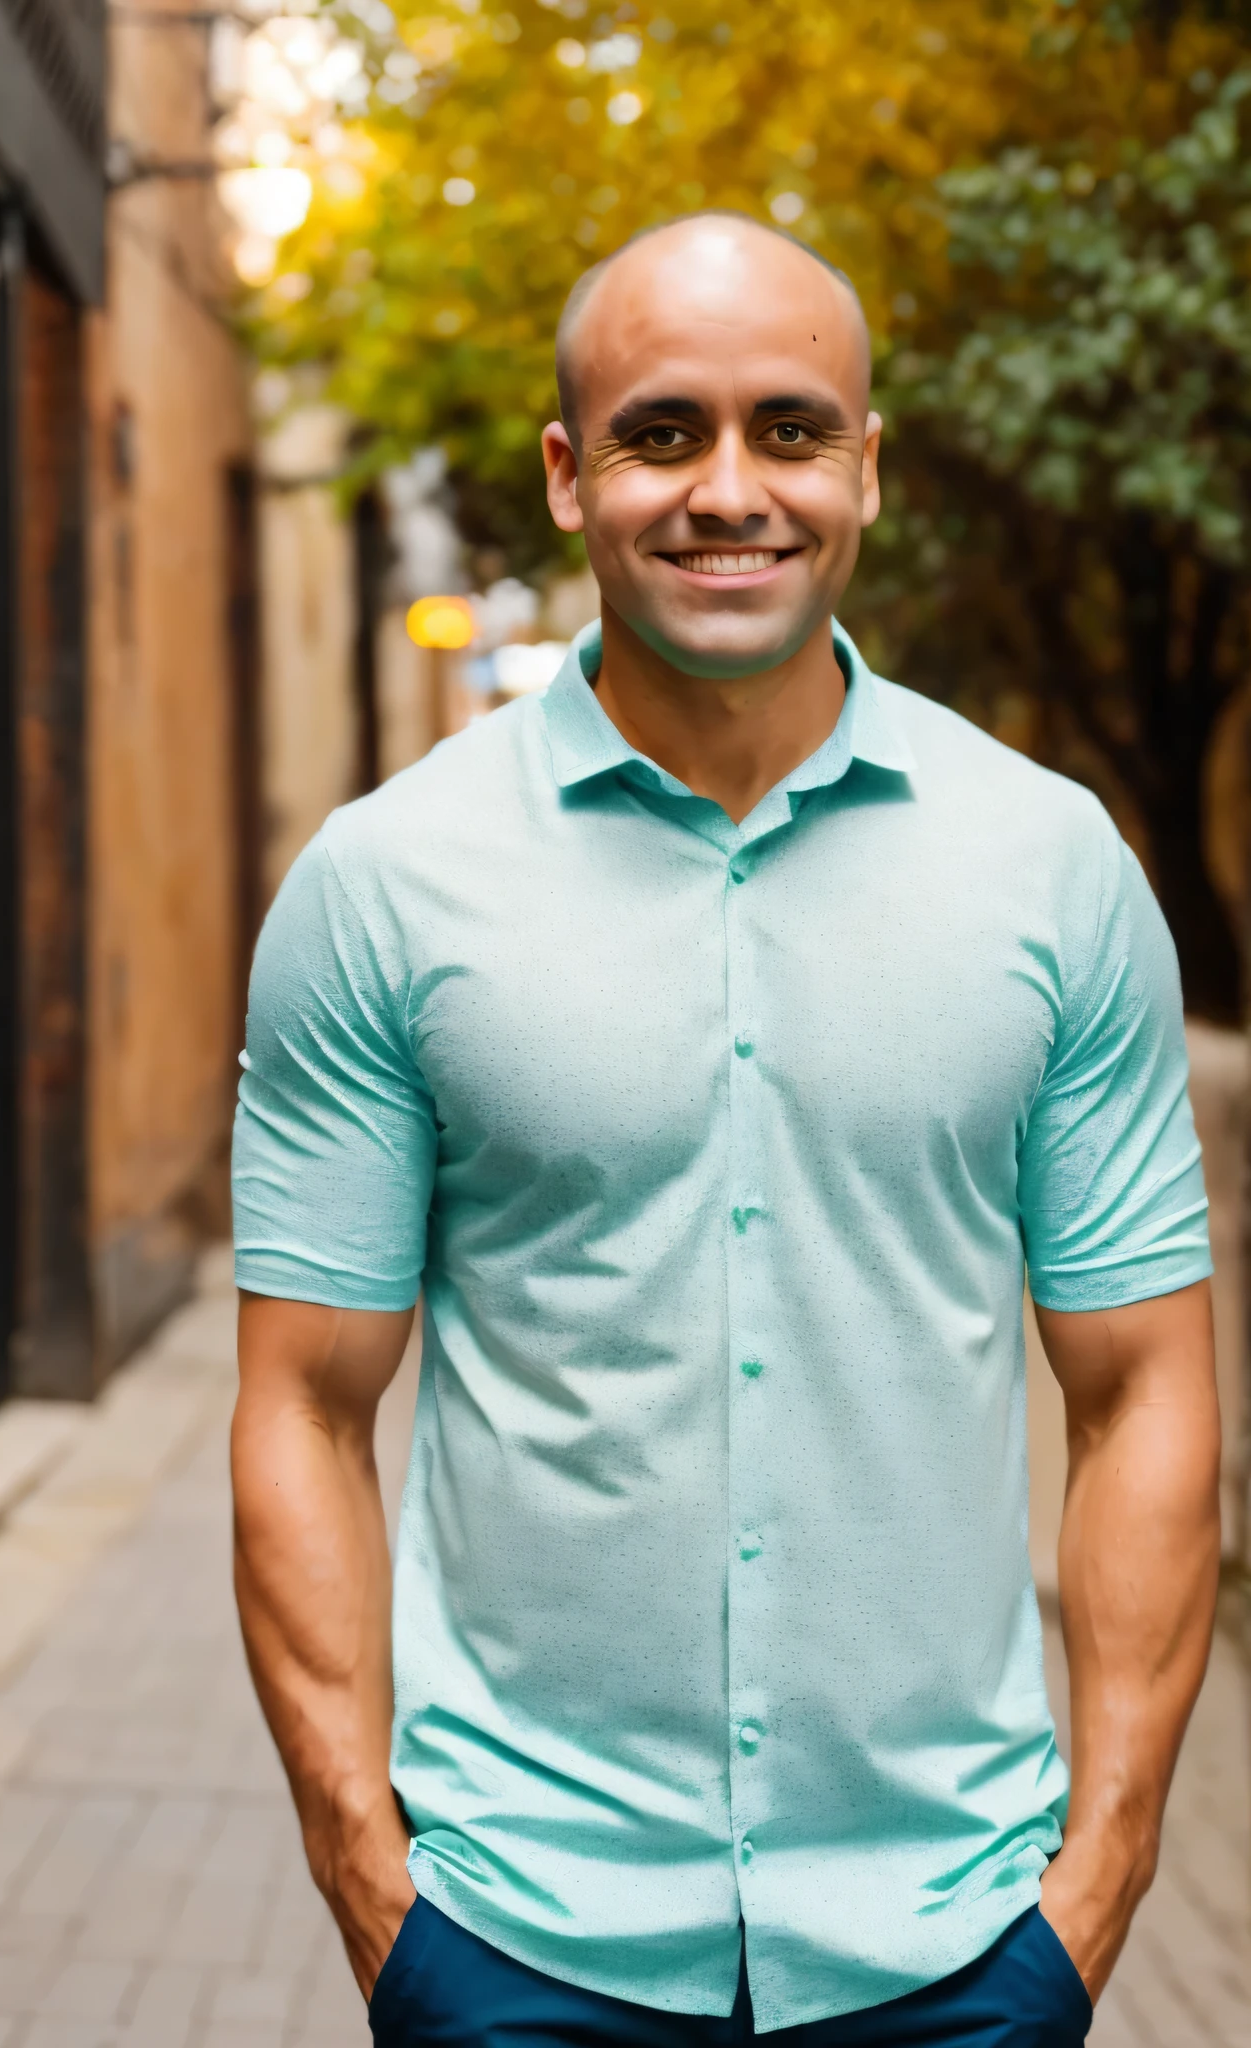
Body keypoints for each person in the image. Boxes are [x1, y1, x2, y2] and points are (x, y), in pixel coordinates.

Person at [230, 214, 1221, 2046]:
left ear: (867, 466)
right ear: (564, 475)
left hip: (963, 1944)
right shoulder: (383, 891)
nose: (728, 491)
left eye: (789, 428)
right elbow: (301, 1401)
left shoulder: (1054, 870)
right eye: (662, 432)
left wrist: (1100, 1884)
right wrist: (376, 1884)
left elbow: (1144, 1383)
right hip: (516, 1936)